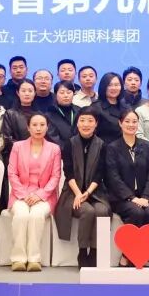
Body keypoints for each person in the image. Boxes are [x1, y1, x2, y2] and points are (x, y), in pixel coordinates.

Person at [55, 106, 111, 267]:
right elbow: (68, 172)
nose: (86, 124)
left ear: (96, 124)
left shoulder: (102, 145)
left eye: (90, 121)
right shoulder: (70, 143)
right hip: (72, 192)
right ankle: (82, 251)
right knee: (87, 210)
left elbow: (100, 173)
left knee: (101, 210)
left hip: (96, 192)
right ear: (77, 123)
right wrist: (79, 194)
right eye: (82, 120)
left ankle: (94, 251)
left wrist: (87, 192)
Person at [7, 114, 62, 272]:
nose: (38, 128)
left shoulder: (54, 149)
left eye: (42, 125)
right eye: (35, 125)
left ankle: (34, 259)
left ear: (47, 127)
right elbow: (12, 173)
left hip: (45, 196)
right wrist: (24, 195)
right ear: (28, 127)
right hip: (20, 194)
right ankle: (18, 258)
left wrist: (40, 195)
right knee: (22, 215)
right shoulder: (18, 147)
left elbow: (55, 176)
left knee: (36, 215)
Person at [105, 109, 149, 266]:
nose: (131, 124)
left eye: (134, 121)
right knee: (136, 212)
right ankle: (128, 255)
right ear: (120, 123)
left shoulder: (146, 146)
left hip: (144, 196)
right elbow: (113, 177)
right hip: (122, 197)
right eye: (127, 121)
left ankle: (144, 255)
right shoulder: (112, 147)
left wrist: (146, 197)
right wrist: (132, 198)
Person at [3, 79, 42, 147]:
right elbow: (7, 138)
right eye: (23, 91)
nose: (27, 94)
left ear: (35, 93)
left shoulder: (40, 115)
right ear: (18, 93)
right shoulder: (10, 114)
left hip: (37, 150)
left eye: (30, 91)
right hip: (17, 150)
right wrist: (23, 148)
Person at [45, 80, 80, 150]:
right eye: (62, 93)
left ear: (73, 94)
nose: (66, 95)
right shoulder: (49, 114)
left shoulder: (79, 111)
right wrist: (67, 150)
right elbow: (53, 137)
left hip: (80, 150)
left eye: (69, 92)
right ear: (55, 95)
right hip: (59, 151)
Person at [95, 72, 126, 144]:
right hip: (103, 148)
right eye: (110, 85)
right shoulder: (96, 108)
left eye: (117, 85)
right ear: (103, 87)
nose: (114, 88)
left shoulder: (126, 107)